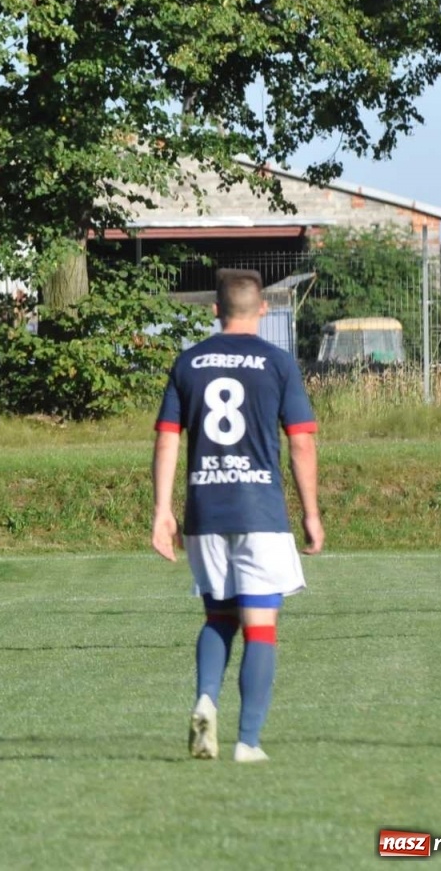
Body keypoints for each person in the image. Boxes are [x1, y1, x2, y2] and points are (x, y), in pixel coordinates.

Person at [151, 268, 323, 764]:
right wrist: (311, 512)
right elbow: (302, 441)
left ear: (214, 310)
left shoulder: (188, 362)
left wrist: (163, 512)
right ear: (263, 311)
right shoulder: (278, 362)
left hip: (205, 508)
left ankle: (206, 697)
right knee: (261, 626)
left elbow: (167, 438)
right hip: (260, 509)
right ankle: (248, 742)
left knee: (217, 616)